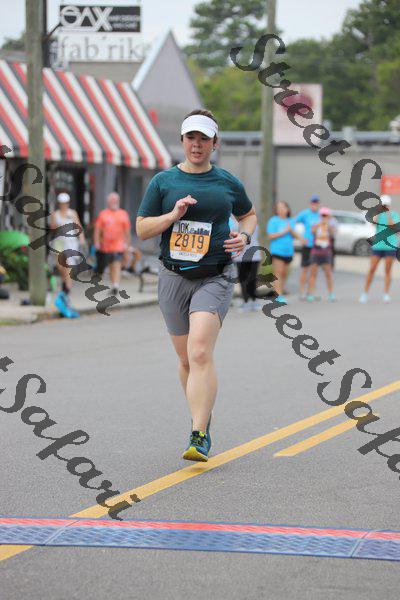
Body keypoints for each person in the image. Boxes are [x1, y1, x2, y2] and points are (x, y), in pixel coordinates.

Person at [136, 108, 257, 462]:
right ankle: (201, 411)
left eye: (204, 138)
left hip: (215, 275)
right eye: (191, 137)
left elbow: (248, 214)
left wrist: (244, 236)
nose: (197, 144)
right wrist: (173, 215)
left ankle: (199, 432)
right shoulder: (163, 182)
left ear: (215, 143)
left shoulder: (227, 182)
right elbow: (142, 229)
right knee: (186, 359)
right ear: (182, 140)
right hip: (173, 276)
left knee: (200, 351)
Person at [50, 192, 85, 318]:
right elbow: (52, 228)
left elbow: (78, 226)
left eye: (65, 203)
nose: (63, 205)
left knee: (69, 266)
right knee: (61, 266)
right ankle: (65, 285)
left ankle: (67, 291)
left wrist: (81, 238)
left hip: (71, 242)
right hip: (59, 242)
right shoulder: (55, 214)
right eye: (61, 203)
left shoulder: (72, 213)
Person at [359, 195, 399, 303]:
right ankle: (365, 293)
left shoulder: (394, 215)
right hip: (378, 246)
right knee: (372, 269)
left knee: (387, 270)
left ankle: (386, 294)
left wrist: (388, 213)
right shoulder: (378, 214)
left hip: (390, 246)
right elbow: (373, 223)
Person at [267, 201, 304, 304]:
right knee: (278, 273)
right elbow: (271, 236)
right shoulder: (273, 220)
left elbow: (293, 235)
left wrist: (293, 232)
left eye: (283, 207)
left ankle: (280, 292)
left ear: (287, 209)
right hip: (277, 250)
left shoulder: (290, 221)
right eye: (278, 207)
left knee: (284, 274)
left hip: (288, 251)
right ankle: (279, 295)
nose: (281, 209)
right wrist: (285, 231)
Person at [94, 192, 131, 295]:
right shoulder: (103, 214)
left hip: (119, 245)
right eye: (111, 201)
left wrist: (127, 246)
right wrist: (97, 242)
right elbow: (97, 230)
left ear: (118, 201)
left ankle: (116, 286)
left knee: (116, 264)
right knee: (111, 265)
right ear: (108, 202)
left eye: (115, 200)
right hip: (106, 246)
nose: (113, 202)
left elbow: (127, 232)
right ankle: (114, 284)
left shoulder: (123, 214)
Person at [229, 215, 262, 312]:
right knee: (243, 279)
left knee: (253, 278)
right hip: (240, 256)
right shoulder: (232, 222)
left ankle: (254, 300)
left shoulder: (252, 219)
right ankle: (246, 301)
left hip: (254, 254)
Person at [307, 206, 336, 302]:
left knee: (328, 273)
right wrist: (319, 224)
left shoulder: (331, 224)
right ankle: (311, 294)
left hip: (326, 251)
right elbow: (312, 231)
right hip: (316, 251)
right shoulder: (316, 223)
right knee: (313, 273)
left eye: (325, 215)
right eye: (322, 215)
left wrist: (328, 224)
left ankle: (331, 294)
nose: (324, 217)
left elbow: (333, 234)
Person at [295, 195, 321, 299]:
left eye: (316, 203)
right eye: (313, 203)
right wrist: (300, 237)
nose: (315, 205)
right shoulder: (305, 213)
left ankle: (311, 292)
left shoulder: (320, 215)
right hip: (307, 245)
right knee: (305, 269)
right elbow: (292, 222)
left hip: (317, 245)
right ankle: (302, 292)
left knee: (314, 270)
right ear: (310, 204)